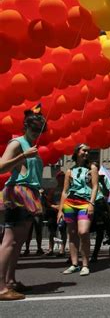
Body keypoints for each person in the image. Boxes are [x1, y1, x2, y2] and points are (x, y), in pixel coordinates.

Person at [0, 107, 45, 300]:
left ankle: (10, 281)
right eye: (34, 129)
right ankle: (1, 287)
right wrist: (23, 157)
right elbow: (1, 167)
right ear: (26, 126)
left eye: (41, 129)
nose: (37, 133)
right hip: (18, 194)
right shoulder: (18, 143)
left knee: (17, 242)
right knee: (9, 241)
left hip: (30, 195)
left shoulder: (29, 143)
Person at [57, 144, 99, 276]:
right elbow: (64, 191)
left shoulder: (92, 168)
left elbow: (95, 187)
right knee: (72, 233)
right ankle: (74, 264)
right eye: (84, 150)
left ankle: (85, 265)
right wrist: (60, 210)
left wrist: (91, 203)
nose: (86, 153)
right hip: (70, 203)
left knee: (84, 231)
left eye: (88, 151)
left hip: (85, 203)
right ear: (77, 152)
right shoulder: (69, 171)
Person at [90, 163, 110, 263]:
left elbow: (107, 193)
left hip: (99, 203)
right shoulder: (87, 177)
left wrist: (102, 182)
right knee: (82, 231)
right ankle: (75, 255)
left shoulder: (103, 179)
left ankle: (95, 254)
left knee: (100, 230)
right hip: (88, 203)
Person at [45, 171, 67, 257]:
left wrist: (62, 207)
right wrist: (54, 206)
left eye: (63, 176)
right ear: (57, 178)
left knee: (63, 231)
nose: (62, 178)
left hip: (64, 212)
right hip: (53, 213)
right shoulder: (53, 189)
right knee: (52, 232)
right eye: (60, 176)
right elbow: (48, 202)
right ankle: (50, 249)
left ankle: (62, 250)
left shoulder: (67, 189)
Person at [22, 189, 45, 256]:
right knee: (28, 232)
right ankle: (27, 249)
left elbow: (42, 203)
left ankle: (39, 248)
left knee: (38, 232)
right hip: (30, 214)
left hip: (37, 214)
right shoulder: (28, 192)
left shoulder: (40, 194)